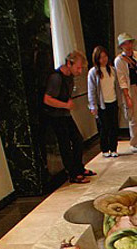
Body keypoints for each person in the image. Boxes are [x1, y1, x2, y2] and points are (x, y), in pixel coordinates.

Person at [43, 51, 95, 184]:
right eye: (78, 67)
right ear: (69, 64)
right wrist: (65, 105)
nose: (80, 71)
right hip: (56, 116)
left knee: (77, 140)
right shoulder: (56, 78)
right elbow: (47, 99)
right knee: (65, 144)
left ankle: (79, 168)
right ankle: (73, 174)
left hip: (64, 114)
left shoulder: (69, 77)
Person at [87, 46, 121, 158]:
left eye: (105, 56)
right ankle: (105, 149)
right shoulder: (93, 72)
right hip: (102, 104)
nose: (103, 59)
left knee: (114, 127)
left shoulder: (112, 70)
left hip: (113, 101)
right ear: (96, 59)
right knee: (103, 128)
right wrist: (93, 105)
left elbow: (117, 86)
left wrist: (120, 101)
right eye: (101, 57)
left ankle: (113, 148)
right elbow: (91, 90)